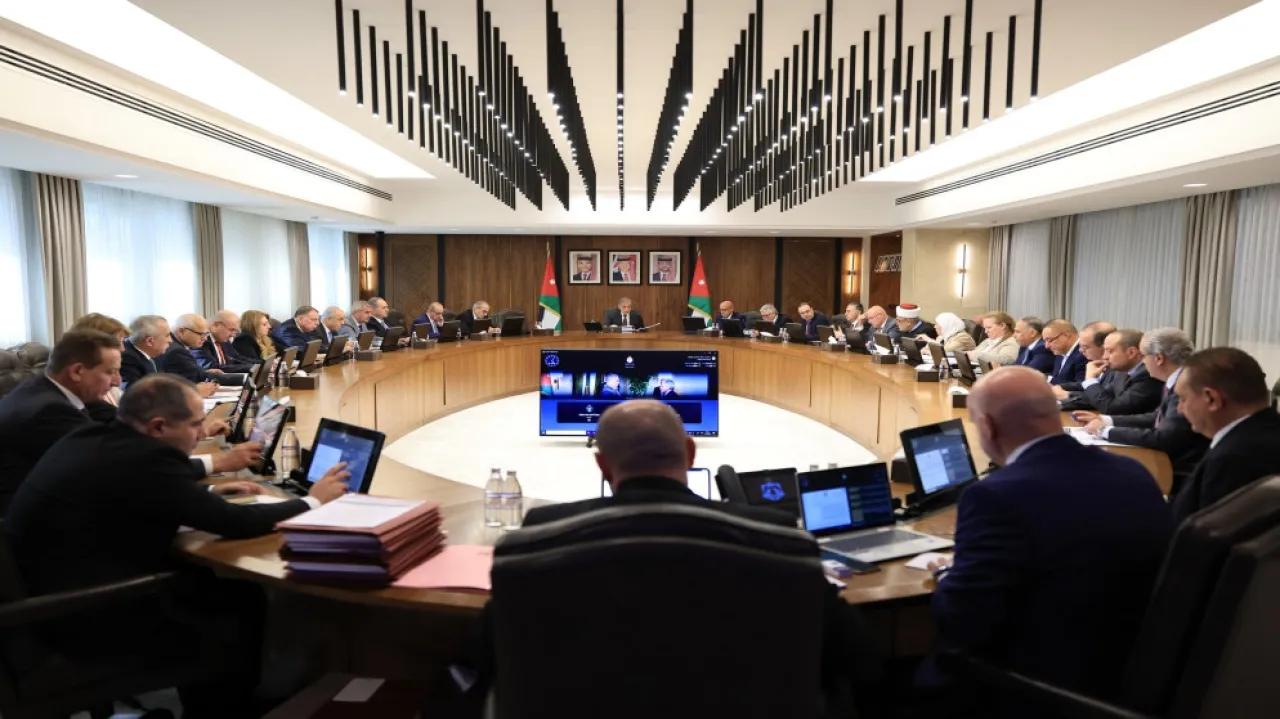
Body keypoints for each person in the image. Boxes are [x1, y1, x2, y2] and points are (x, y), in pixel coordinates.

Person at [471, 401, 885, 716]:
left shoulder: (533, 545)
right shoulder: (780, 541)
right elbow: (862, 657)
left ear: (602, 465)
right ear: (690, 453)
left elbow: (478, 660)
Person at [4, 374, 350, 718]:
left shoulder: (97, 434)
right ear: (158, 427)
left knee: (218, 588)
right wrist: (313, 501)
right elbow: (237, 523)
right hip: (79, 618)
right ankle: (228, 710)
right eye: (195, 424)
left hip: (42, 599)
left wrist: (205, 493)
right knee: (237, 601)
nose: (201, 434)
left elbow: (131, 490)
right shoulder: (146, 460)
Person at [922, 366, 1172, 716]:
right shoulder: (1133, 472)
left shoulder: (995, 496)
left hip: (1036, 685)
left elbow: (964, 619)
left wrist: (946, 575)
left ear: (988, 427)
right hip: (1132, 669)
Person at [0, 330, 121, 513]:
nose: (117, 381)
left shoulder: (38, 387)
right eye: (111, 372)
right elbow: (104, 466)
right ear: (77, 372)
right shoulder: (50, 411)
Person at [1078, 327, 1209, 483]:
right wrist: (1107, 421)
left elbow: (1164, 438)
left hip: (1182, 471)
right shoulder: (1177, 379)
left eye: (1144, 356)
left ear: (1159, 358)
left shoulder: (1187, 385)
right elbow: (1157, 416)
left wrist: (1104, 431)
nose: (1143, 362)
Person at [1171, 347, 1280, 524]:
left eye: (1183, 399)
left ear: (1212, 399)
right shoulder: (1268, 429)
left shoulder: (1232, 459)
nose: (1179, 409)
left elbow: (1205, 535)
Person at [1059, 329, 1162, 415]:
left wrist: (1090, 380)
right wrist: (1061, 402)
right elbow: (1102, 397)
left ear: (1131, 352)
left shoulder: (1147, 375)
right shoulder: (1121, 373)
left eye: (1110, 351)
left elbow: (1112, 408)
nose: (1105, 357)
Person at [167, 314, 242, 387]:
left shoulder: (179, 347)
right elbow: (198, 377)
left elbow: (191, 372)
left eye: (206, 334)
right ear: (181, 331)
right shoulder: (177, 351)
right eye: (201, 334)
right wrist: (243, 379)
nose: (205, 338)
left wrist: (204, 371)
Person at [69, 312, 129, 405]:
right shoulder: (88, 390)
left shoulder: (108, 381)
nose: (123, 348)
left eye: (122, 342)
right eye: (118, 342)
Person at [1054, 322, 1115, 393]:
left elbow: (1100, 397)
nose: (1080, 350)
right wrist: (1059, 387)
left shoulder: (1117, 371)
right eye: (1080, 345)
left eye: (1085, 347)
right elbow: (1084, 385)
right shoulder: (1095, 363)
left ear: (1104, 347)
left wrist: (1067, 394)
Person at [120, 314, 172, 387]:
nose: (171, 340)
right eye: (167, 335)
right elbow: (135, 391)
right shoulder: (128, 359)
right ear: (149, 341)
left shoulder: (153, 353)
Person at [1042, 319, 1088, 386]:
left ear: (1066, 335)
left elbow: (1081, 385)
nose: (1047, 346)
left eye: (1050, 340)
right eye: (1045, 341)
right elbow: (1057, 376)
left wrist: (1048, 379)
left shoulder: (1083, 353)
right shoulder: (1060, 351)